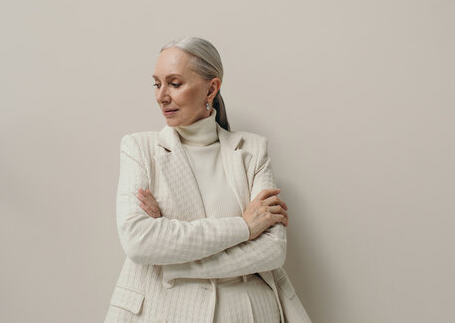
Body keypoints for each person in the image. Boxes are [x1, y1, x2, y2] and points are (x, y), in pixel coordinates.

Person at [104, 37, 311, 323]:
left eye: (174, 84)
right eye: (157, 83)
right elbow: (139, 242)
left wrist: (174, 265)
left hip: (248, 314)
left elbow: (272, 251)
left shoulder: (253, 150)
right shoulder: (139, 149)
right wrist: (244, 226)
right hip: (165, 313)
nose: (161, 96)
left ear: (211, 88)